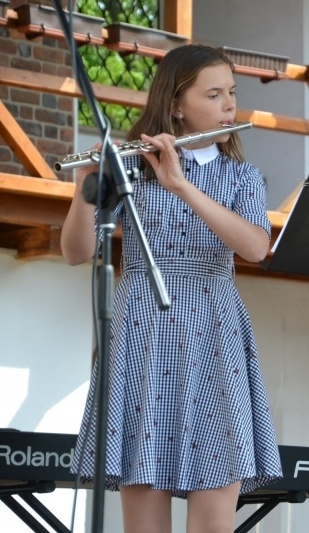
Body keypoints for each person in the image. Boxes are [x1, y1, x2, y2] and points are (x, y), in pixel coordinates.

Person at [61, 44, 282, 532]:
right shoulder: (133, 168)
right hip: (144, 330)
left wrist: (182, 185)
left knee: (213, 518)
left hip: (214, 332)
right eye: (214, 94)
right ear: (177, 105)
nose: (230, 105)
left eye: (232, 93)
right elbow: (75, 251)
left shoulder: (241, 176)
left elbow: (255, 247)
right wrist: (87, 186)